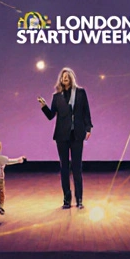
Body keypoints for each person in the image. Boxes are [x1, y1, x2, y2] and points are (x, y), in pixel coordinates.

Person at [38, 67, 93, 209]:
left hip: (77, 134)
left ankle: (79, 199)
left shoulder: (80, 93)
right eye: (63, 77)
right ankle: (66, 200)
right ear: (61, 80)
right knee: (64, 168)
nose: (65, 78)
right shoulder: (56, 97)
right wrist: (44, 106)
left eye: (68, 76)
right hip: (61, 136)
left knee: (77, 167)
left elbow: (86, 111)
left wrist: (88, 128)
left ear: (72, 78)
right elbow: (51, 116)